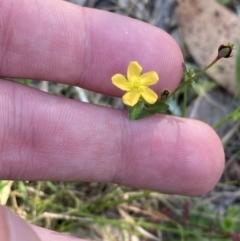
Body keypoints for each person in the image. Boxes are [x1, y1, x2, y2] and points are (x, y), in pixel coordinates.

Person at [0, 0, 225, 240]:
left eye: (139, 81)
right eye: (135, 80)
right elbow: (133, 99)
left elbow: (143, 98)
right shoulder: (130, 84)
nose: (138, 81)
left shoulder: (145, 89)